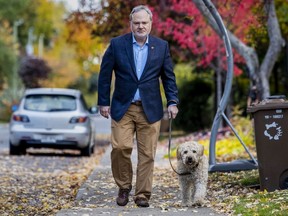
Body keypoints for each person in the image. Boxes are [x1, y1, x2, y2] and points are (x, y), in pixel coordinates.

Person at [97, 5, 179, 208]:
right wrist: (103, 102)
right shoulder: (117, 44)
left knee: (148, 154)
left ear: (151, 24)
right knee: (120, 148)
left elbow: (168, 77)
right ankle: (124, 187)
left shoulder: (161, 47)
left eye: (144, 22)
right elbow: (105, 74)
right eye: (137, 22)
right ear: (131, 24)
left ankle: (142, 194)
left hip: (150, 109)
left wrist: (172, 101)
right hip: (123, 107)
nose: (141, 26)